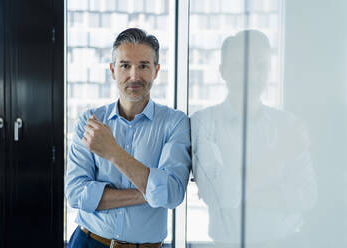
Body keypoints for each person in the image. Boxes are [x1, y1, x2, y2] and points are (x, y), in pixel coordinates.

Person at [65, 28, 191, 248]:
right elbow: (76, 194)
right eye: (125, 66)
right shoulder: (91, 121)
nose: (134, 76)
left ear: (156, 71)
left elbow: (172, 194)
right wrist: (149, 192)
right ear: (113, 70)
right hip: (88, 242)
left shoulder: (175, 123)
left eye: (143, 66)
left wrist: (113, 152)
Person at [191, 30, 317, 248]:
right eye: (241, 66)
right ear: (223, 71)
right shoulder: (203, 122)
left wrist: (237, 194)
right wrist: (279, 155)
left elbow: (306, 196)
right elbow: (217, 194)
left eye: (261, 67)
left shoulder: (289, 124)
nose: (252, 75)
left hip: (288, 243)